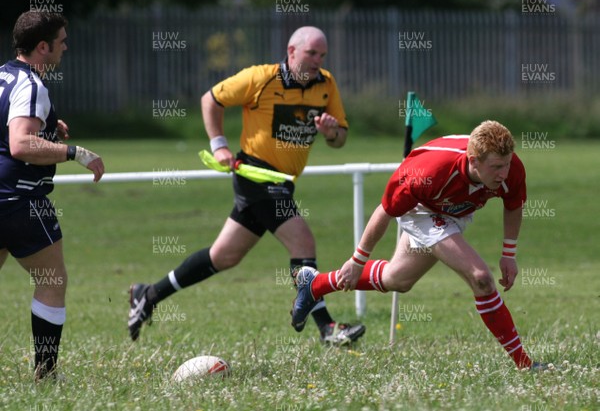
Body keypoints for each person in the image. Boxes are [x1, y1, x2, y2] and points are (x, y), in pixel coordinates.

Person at [129, 26, 365, 346]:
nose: (317, 61)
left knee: (224, 256)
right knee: (303, 244)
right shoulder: (260, 78)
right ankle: (327, 328)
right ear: (292, 51)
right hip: (255, 175)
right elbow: (210, 100)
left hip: (283, 183)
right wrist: (219, 145)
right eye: (312, 54)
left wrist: (330, 132)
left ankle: (149, 294)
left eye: (322, 55)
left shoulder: (326, 84)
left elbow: (341, 140)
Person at [292, 120, 546, 370]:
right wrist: (357, 260)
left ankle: (315, 284)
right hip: (422, 211)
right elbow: (384, 212)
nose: (504, 173)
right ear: (473, 161)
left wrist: (508, 254)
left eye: (507, 164)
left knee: (397, 280)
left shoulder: (511, 169)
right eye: (496, 167)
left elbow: (513, 205)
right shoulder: (429, 172)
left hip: (453, 211)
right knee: (481, 278)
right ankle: (524, 364)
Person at [0, 11, 105, 381]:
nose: (65, 45)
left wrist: (46, 124)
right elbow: (19, 143)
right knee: (52, 279)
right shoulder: (31, 85)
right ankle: (46, 374)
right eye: (61, 40)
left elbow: (11, 126)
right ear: (42, 46)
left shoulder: (3, 75)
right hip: (18, 199)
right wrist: (75, 152)